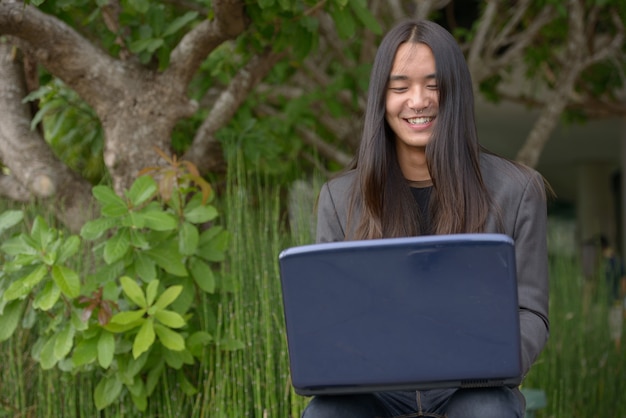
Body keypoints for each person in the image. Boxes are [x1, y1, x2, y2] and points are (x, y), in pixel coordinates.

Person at [305, 19, 550, 418]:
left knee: (487, 409)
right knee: (327, 412)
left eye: (433, 86)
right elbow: (330, 317)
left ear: (456, 93)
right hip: (375, 390)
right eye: (400, 87)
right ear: (381, 99)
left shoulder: (517, 190)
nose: (417, 101)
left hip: (471, 385)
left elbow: (531, 311)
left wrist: (495, 364)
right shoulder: (340, 198)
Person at [599, 235, 625, 349]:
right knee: (612, 330)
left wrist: (621, 298)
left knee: (616, 331)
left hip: (615, 300)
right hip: (610, 301)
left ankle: (617, 357)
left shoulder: (613, 262)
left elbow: (623, 280)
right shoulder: (609, 262)